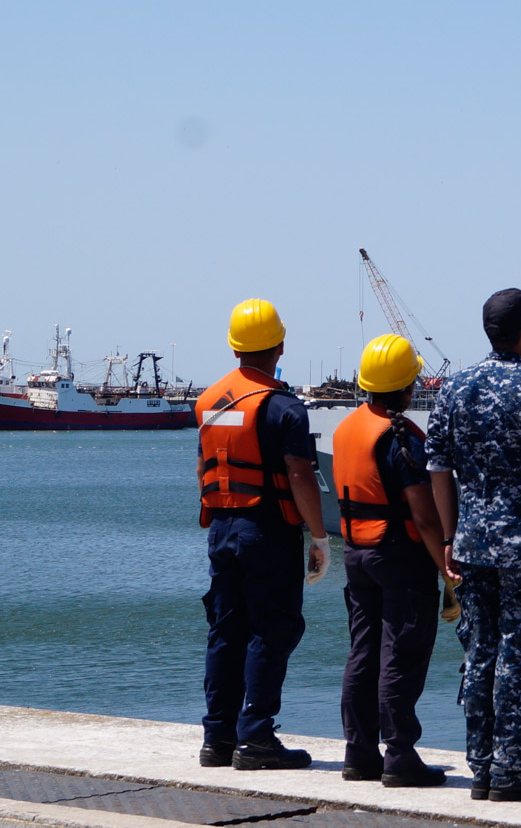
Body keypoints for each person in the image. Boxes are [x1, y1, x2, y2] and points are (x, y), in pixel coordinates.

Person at [428, 289, 521, 803]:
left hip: (471, 545)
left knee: (479, 652)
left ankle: (482, 771)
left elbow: (438, 469)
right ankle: (512, 773)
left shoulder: (453, 388)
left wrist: (449, 537)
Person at [197, 299, 329, 771]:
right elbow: (299, 474)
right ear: (280, 344)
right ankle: (256, 741)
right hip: (268, 531)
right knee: (271, 631)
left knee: (225, 631)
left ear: (235, 347)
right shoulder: (284, 406)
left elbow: (206, 466)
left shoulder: (209, 401)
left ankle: (217, 739)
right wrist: (320, 537)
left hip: (223, 530)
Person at [335, 334, 450, 788]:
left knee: (363, 652)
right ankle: (400, 756)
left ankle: (358, 754)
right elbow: (422, 515)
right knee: (402, 652)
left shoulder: (347, 429)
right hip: (400, 556)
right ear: (405, 386)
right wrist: (446, 562)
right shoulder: (400, 437)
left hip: (356, 555)